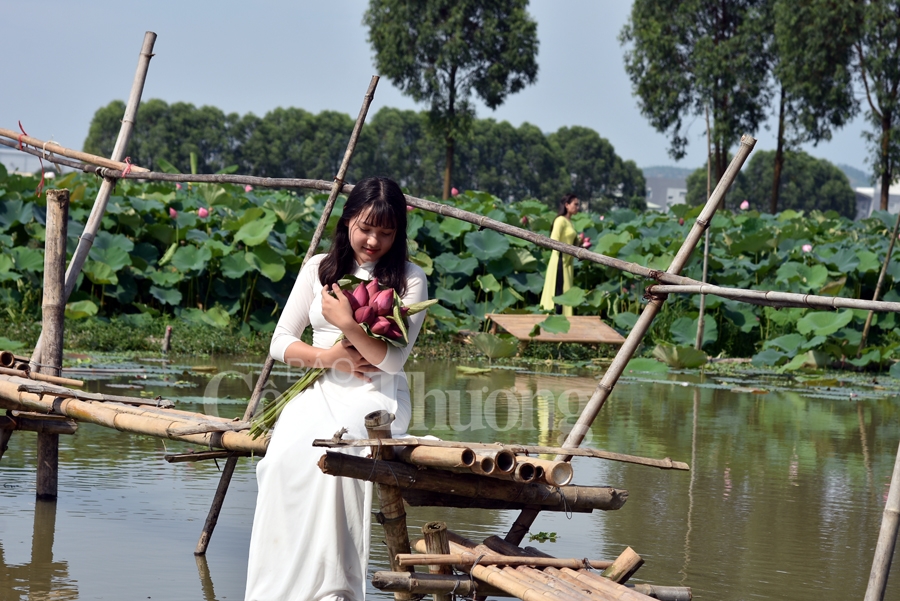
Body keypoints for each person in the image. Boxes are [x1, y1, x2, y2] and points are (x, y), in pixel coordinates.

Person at [244, 176, 428, 601]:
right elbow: (280, 341)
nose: (373, 240)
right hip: (320, 386)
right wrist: (328, 358)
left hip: (374, 396)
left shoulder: (409, 280)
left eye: (385, 232)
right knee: (279, 464)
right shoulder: (319, 268)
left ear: (398, 232)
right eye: (365, 228)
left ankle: (333, 591)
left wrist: (347, 324)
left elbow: (392, 360)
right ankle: (275, 589)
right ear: (347, 221)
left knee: (338, 463)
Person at [540, 193, 580, 316]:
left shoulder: (570, 222)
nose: (577, 207)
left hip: (568, 262)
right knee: (558, 290)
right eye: (575, 204)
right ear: (567, 205)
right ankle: (555, 316)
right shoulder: (560, 220)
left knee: (565, 291)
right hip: (560, 260)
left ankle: (565, 317)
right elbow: (553, 240)